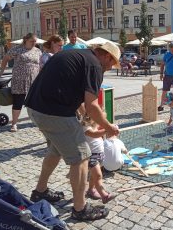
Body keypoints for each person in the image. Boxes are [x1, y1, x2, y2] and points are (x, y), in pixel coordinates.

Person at [25, 42, 121, 221]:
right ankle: (80, 208)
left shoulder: (80, 56)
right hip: (53, 111)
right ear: (107, 56)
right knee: (81, 156)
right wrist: (109, 127)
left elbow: (73, 92)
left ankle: (40, 191)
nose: (109, 68)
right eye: (112, 64)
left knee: (55, 150)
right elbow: (92, 105)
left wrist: (84, 116)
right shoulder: (94, 65)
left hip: (36, 107)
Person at [0, 33, 42, 132]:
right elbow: (6, 58)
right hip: (19, 80)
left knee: (35, 102)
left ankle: (38, 121)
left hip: (34, 80)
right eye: (32, 41)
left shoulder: (38, 51)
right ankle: (14, 124)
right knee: (18, 102)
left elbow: (40, 65)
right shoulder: (17, 49)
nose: (34, 43)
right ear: (26, 40)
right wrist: (2, 70)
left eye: (35, 41)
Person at [81, 114, 116, 203]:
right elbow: (94, 135)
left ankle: (91, 190)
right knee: (98, 175)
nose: (102, 121)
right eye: (100, 119)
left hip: (99, 155)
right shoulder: (86, 127)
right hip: (92, 156)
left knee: (93, 176)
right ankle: (104, 195)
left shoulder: (94, 126)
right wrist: (107, 129)